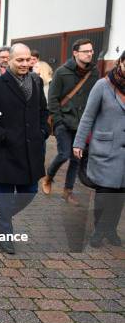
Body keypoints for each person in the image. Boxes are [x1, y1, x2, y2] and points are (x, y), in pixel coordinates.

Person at [0, 43, 49, 254]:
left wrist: (43, 131)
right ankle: (5, 231)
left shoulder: (36, 81)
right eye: (20, 60)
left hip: (31, 151)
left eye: (28, 60)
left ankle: (3, 217)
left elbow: (42, 111)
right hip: (5, 152)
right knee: (4, 195)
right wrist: (6, 136)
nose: (25, 64)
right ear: (8, 61)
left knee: (30, 191)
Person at [73, 51, 125, 247]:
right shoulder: (103, 85)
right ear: (120, 62)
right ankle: (99, 229)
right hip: (106, 148)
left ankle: (111, 229)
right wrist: (78, 142)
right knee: (104, 193)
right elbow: (88, 116)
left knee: (120, 194)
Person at [42, 39, 99, 205]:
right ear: (75, 53)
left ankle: (68, 192)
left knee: (76, 158)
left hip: (82, 124)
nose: (90, 54)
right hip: (64, 122)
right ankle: (48, 177)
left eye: (91, 51)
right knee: (64, 154)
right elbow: (52, 99)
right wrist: (58, 121)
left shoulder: (94, 73)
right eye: (85, 51)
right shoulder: (62, 72)